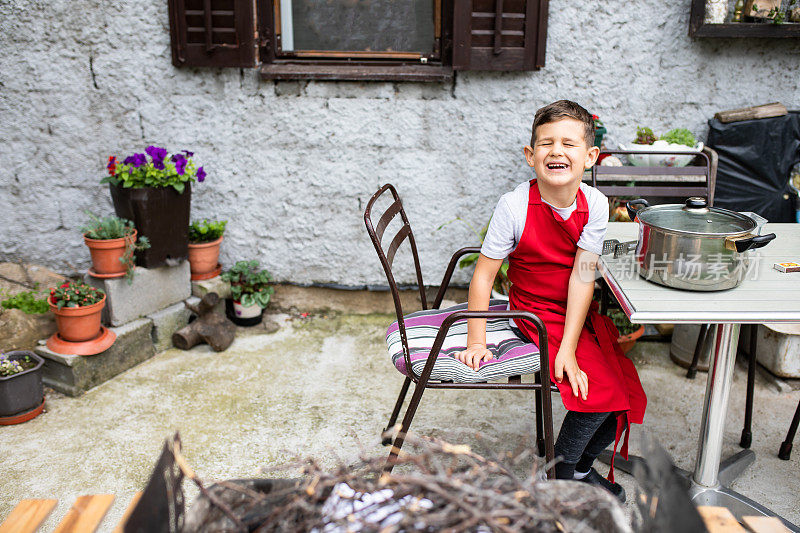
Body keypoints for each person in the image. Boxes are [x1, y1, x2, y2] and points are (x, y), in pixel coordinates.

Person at [454, 100, 646, 502]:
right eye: (546, 143)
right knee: (596, 395)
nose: (557, 151)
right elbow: (484, 275)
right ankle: (558, 476)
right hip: (535, 312)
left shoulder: (593, 204)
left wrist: (572, 347)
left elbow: (582, 277)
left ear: (590, 157)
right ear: (530, 155)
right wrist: (476, 340)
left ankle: (577, 469)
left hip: (576, 311)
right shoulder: (514, 206)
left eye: (568, 143)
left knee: (627, 396)